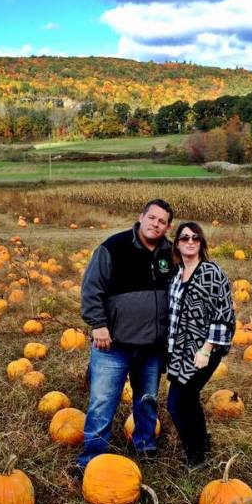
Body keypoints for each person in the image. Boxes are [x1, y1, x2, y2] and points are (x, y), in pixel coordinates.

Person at [74, 199, 175, 477]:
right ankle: (91, 459)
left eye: (162, 221)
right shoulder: (113, 247)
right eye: (151, 217)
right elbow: (91, 289)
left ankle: (144, 444)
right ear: (140, 217)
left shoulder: (170, 253)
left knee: (147, 400)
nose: (155, 224)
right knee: (103, 402)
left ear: (168, 226)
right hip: (113, 345)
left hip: (152, 347)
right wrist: (98, 325)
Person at [166, 222, 234, 470]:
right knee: (189, 399)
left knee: (176, 403)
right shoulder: (176, 274)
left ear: (202, 243)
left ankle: (195, 455)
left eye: (195, 237)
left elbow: (223, 313)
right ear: (177, 243)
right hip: (180, 351)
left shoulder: (211, 272)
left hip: (202, 352)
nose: (190, 241)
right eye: (184, 237)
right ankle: (203, 442)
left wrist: (206, 349)